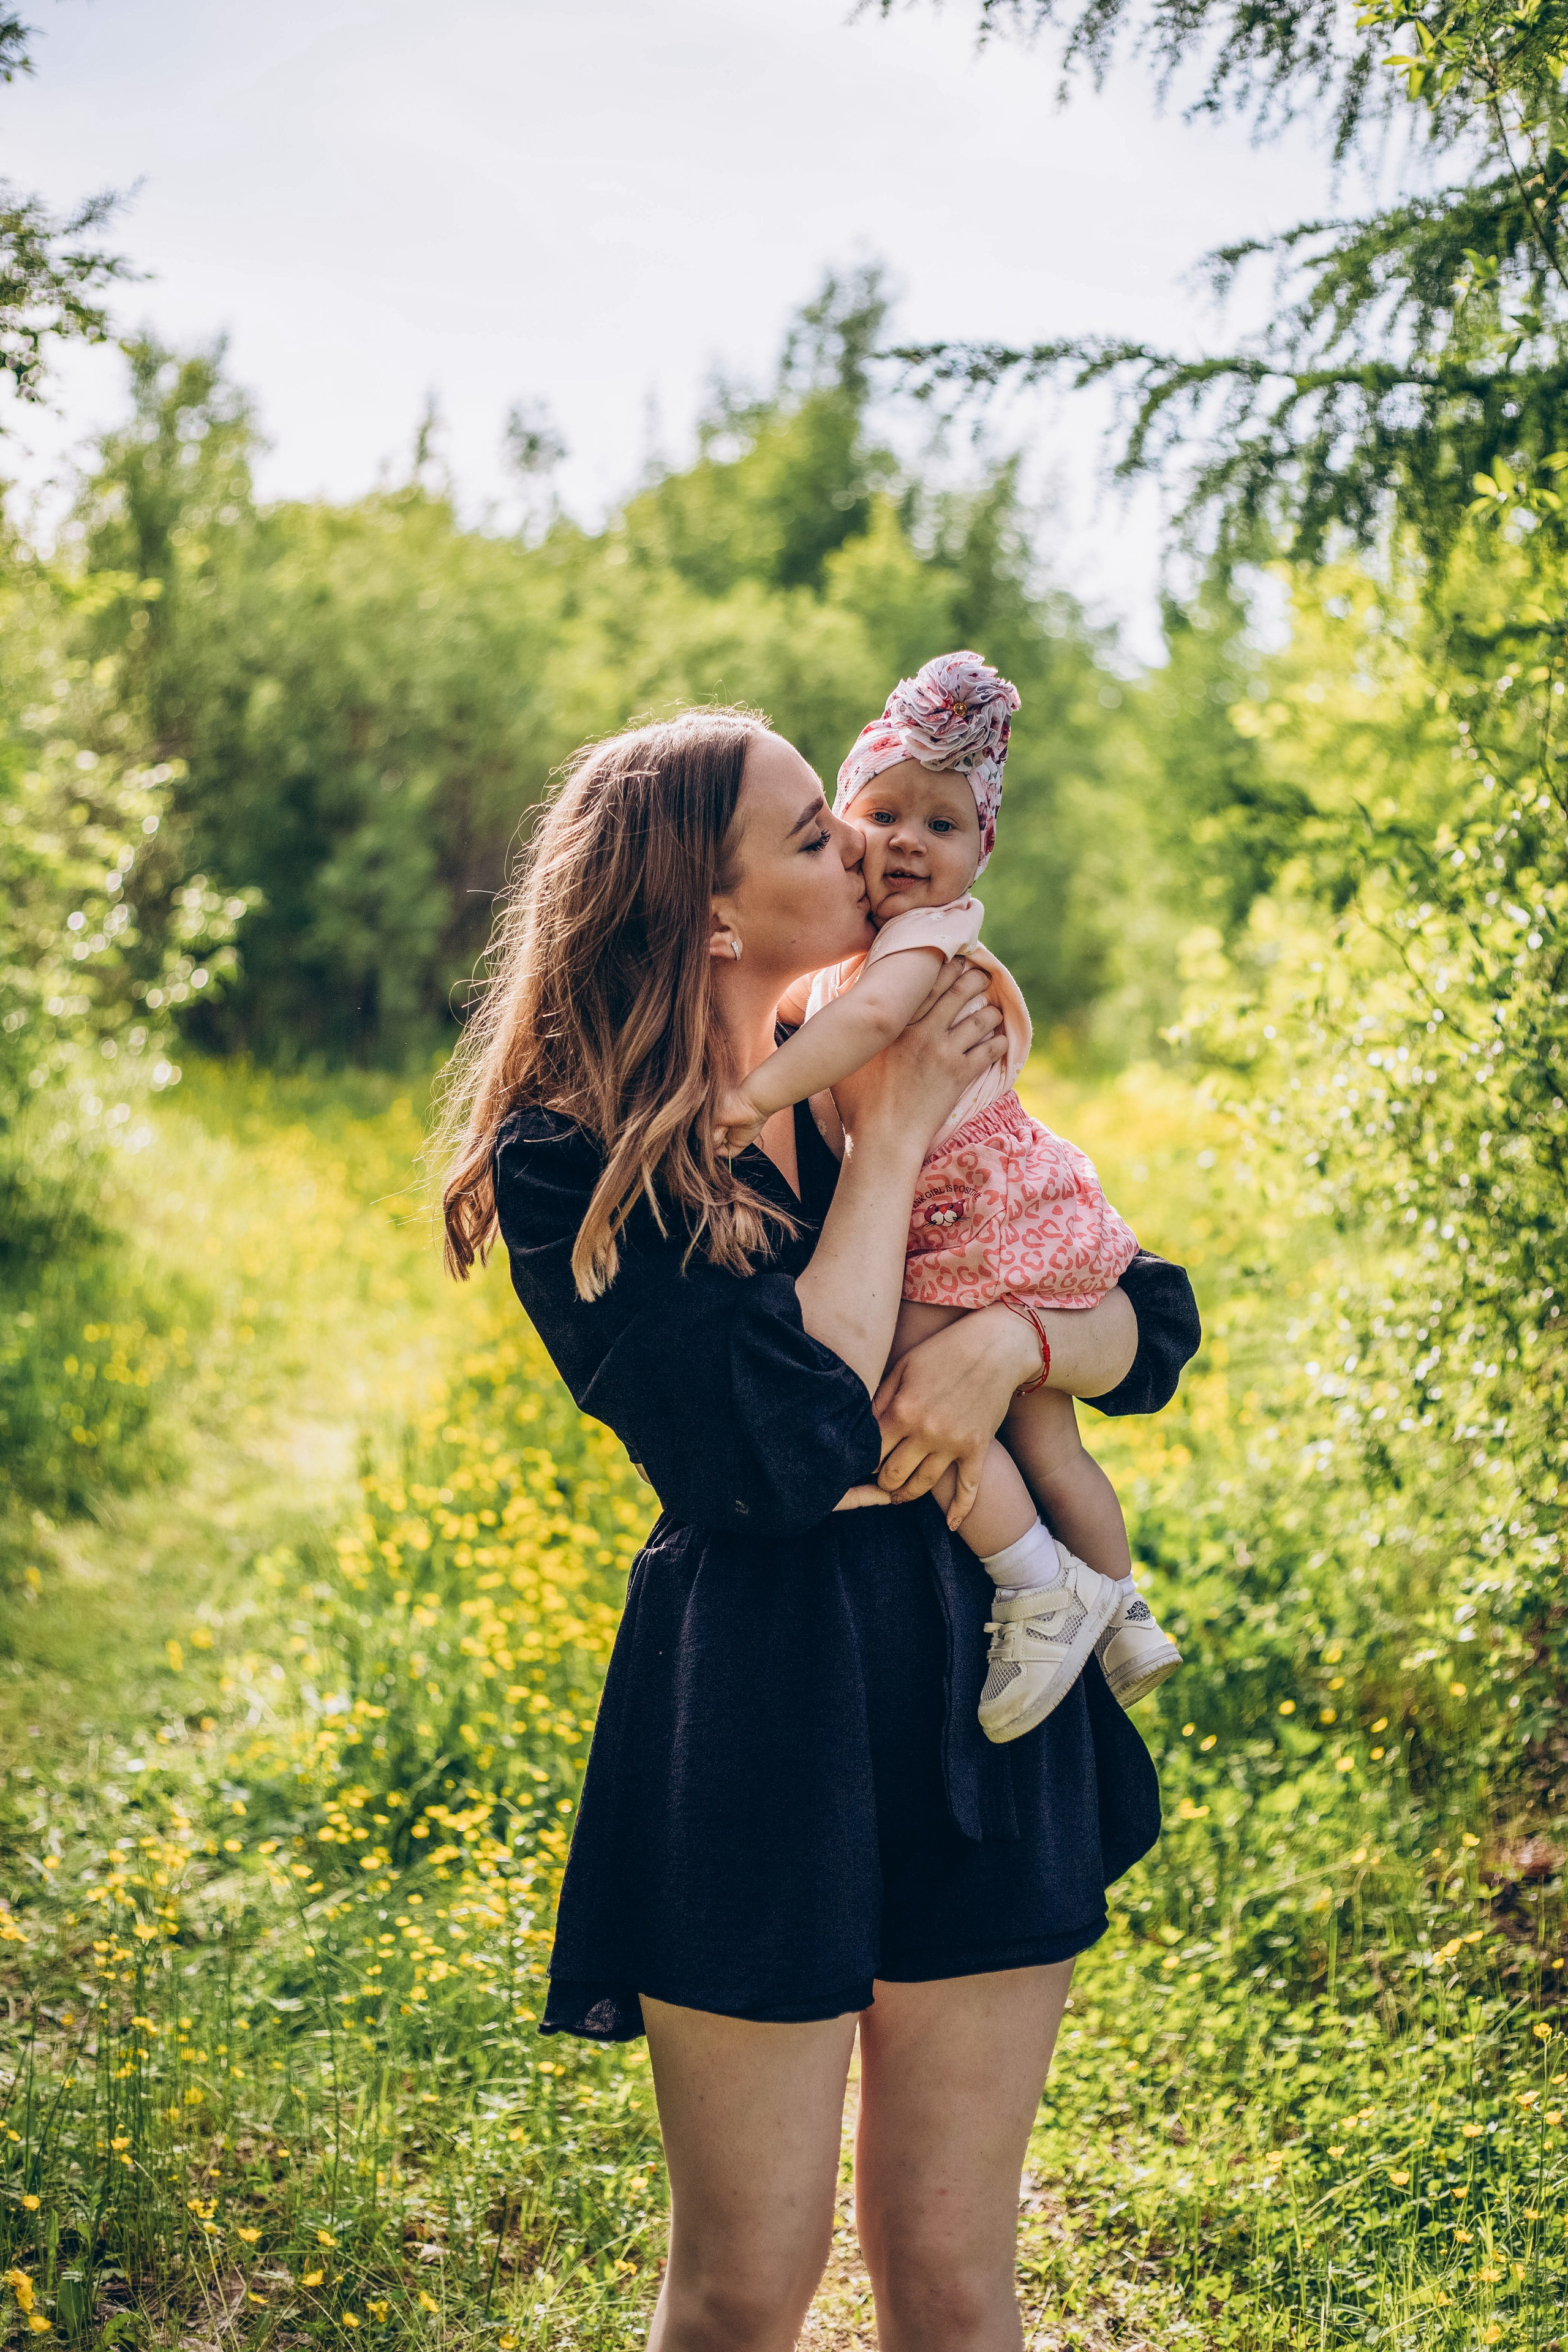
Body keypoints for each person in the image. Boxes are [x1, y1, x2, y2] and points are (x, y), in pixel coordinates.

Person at [439, 708, 1200, 2352]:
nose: (863, 851)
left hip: (984, 1684)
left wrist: (1017, 1343)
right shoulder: (581, 1158)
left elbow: (1149, 1317)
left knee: (950, 2274)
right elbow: (786, 1450)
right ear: (714, 914)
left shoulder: (897, 1030)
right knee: (740, 2288)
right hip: (761, 1708)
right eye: (813, 836)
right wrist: (896, 1140)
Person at [713, 650, 1182, 1744]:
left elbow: (1155, 1325)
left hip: (976, 1224)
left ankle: (1041, 1583)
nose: (900, 845)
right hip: (987, 1219)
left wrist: (761, 1092)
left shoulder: (914, 956)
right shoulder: (837, 986)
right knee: (1045, 1441)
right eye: (873, 816)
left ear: (982, 851)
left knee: (912, 1393)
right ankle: (1118, 1605)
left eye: (942, 825)